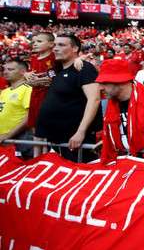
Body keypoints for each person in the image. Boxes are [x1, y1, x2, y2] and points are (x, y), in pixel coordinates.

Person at [35, 34, 103, 163]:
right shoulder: (59, 70)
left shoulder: (83, 68)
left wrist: (80, 132)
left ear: (75, 49)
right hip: (56, 140)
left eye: (61, 45)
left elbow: (94, 99)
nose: (55, 48)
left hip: (73, 142)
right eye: (54, 45)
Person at [24, 32, 61, 157]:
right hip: (35, 95)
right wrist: (26, 75)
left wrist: (80, 58)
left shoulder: (55, 56)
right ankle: (36, 157)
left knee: (45, 130)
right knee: (35, 129)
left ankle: (45, 157)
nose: (35, 44)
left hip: (49, 96)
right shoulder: (34, 59)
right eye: (34, 41)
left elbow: (78, 57)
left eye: (39, 41)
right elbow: (29, 75)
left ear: (51, 44)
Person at [0, 58, 33, 159]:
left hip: (20, 142)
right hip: (4, 143)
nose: (5, 72)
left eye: (10, 69)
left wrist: (7, 135)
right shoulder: (5, 91)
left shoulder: (28, 89)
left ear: (23, 72)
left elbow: (30, 116)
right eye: (5, 69)